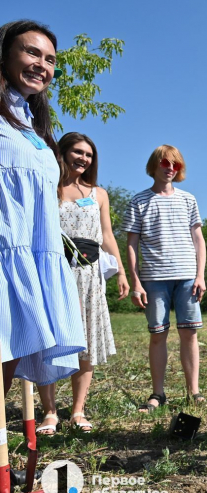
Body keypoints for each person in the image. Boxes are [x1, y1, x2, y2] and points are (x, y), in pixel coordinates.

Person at [0, 20, 84, 393]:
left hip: (31, 259)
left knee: (10, 352)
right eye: (32, 52)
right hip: (5, 253)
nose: (42, 65)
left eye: (50, 59)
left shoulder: (32, 127)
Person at [35, 132, 129, 435]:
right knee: (50, 341)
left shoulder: (99, 193)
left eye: (88, 154)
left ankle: (77, 410)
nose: (83, 158)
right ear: (62, 153)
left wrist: (124, 274)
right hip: (54, 271)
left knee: (86, 343)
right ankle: (49, 411)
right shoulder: (50, 186)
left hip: (89, 275)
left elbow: (108, 234)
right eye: (77, 152)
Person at [121, 145, 207, 412]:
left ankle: (194, 393)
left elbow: (199, 239)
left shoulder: (188, 199)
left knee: (189, 334)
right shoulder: (138, 201)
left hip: (188, 277)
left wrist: (200, 275)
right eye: (165, 163)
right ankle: (157, 394)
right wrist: (135, 281)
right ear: (154, 166)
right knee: (158, 335)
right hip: (153, 278)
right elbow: (131, 244)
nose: (170, 168)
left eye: (175, 164)